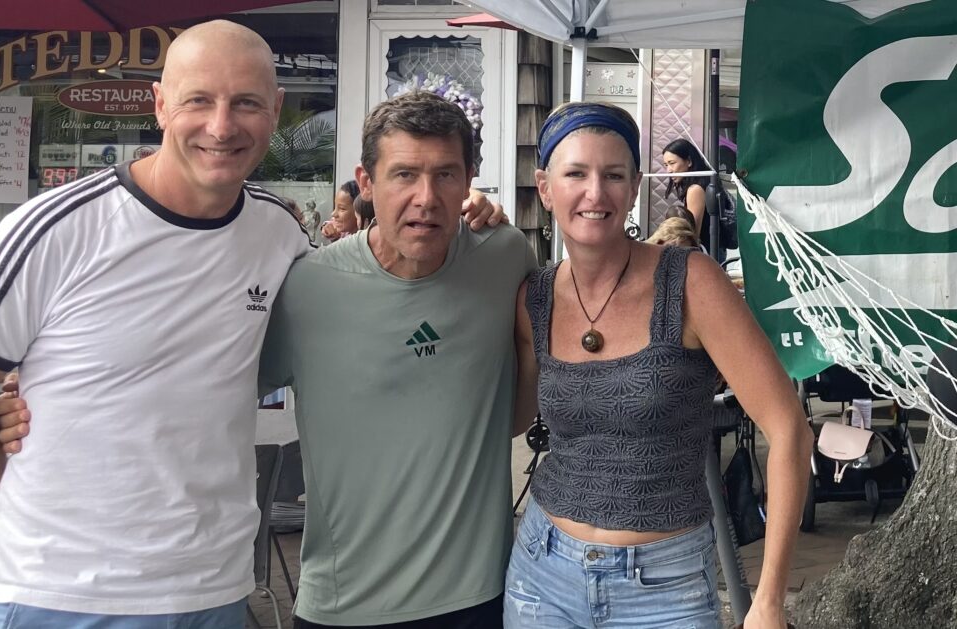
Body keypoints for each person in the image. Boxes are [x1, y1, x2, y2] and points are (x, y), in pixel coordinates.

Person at [0, 21, 504, 629]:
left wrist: (471, 212)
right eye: (199, 100)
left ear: (275, 111)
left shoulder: (278, 235)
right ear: (160, 104)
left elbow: (347, 318)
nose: (222, 125)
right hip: (65, 597)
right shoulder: (57, 226)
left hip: (215, 589)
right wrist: (10, 528)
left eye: (246, 103)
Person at [505, 102, 811, 629]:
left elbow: (789, 430)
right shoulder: (534, 297)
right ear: (545, 188)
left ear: (634, 187)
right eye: (575, 174)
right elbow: (511, 419)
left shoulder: (690, 282)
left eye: (613, 175)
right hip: (542, 574)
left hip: (665, 588)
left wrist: (769, 600)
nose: (595, 193)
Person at [257, 90, 538, 627]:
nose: (426, 198)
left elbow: (517, 408)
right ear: (366, 182)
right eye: (404, 174)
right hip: (344, 604)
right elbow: (216, 399)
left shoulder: (504, 257)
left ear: (469, 180)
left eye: (445, 175)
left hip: (478, 597)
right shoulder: (307, 287)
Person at [662, 138, 710, 244]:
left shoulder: (695, 189)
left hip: (704, 250)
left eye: (672, 163)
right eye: (666, 165)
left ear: (689, 161)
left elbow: (693, 235)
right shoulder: (701, 183)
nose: (668, 170)